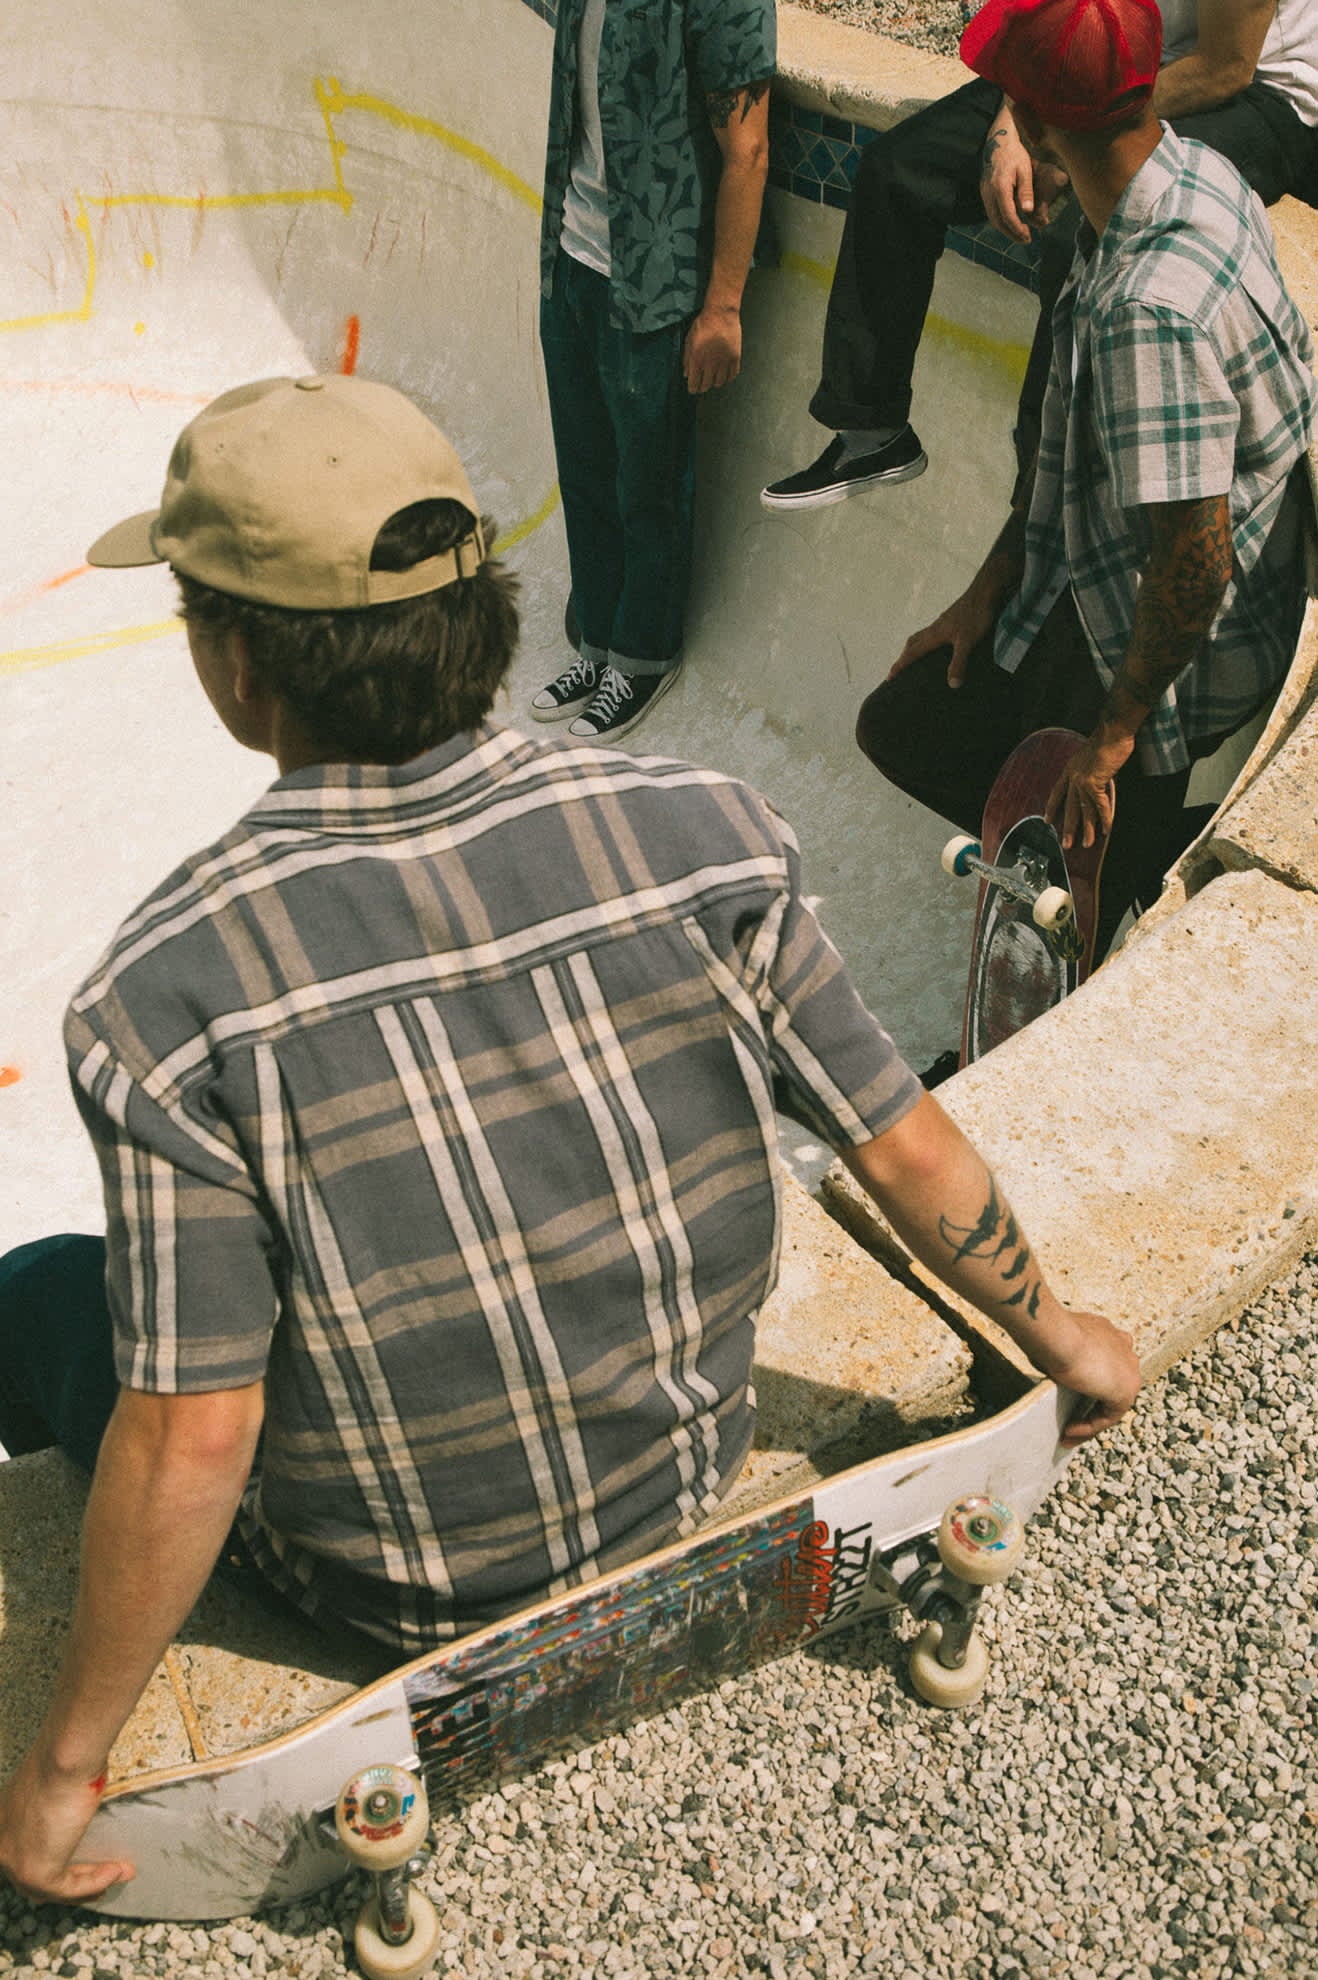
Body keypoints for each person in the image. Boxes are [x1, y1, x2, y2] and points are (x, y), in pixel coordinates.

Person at [0, 375, 1140, 1904]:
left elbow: (195, 1427)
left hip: (393, 1596)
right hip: (683, 1468)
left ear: (237, 669)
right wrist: (1059, 1335)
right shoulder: (704, 829)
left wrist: (62, 1772)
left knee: (38, 1296)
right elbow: (898, 1142)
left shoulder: (161, 1003)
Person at [855, 0, 1315, 980]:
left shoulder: (1150, 307)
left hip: (1198, 649)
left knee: (943, 758)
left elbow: (1195, 562)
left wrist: (1112, 739)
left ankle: (1122, 873)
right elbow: (1072, 458)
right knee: (907, 715)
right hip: (1145, 571)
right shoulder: (1190, 174)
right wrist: (988, 592)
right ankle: (1119, 852)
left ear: (1024, 110)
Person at [760, 0, 1318, 512]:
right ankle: (870, 430)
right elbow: (1052, 17)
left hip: (1258, 99)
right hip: (1115, 61)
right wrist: (1014, 124)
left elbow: (1225, 67)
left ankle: (1042, 496)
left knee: (1079, 234)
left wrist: (1068, 128)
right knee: (898, 169)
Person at [529, 0, 774, 742]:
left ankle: (641, 656)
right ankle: (597, 639)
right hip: (571, 253)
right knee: (586, 471)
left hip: (657, 280)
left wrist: (723, 307)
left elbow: (749, 150)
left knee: (650, 483)